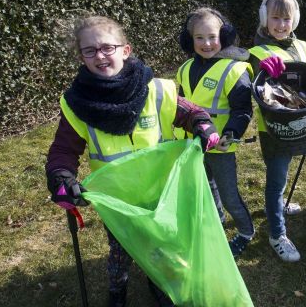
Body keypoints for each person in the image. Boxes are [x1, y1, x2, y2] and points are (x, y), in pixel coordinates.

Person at [45, 16, 219, 307]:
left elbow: (189, 111)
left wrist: (203, 124)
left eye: (107, 48)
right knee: (120, 252)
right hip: (118, 200)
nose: (100, 55)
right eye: (90, 50)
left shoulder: (156, 90)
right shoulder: (77, 104)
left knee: (162, 244)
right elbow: (63, 149)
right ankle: (117, 291)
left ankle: (161, 283)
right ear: (81, 57)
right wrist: (61, 176)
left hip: (161, 191)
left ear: (125, 50)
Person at [176, 7, 255, 257]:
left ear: (224, 36)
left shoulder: (234, 70)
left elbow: (242, 111)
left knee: (230, 196)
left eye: (212, 36)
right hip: (193, 145)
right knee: (208, 189)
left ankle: (245, 232)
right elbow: (178, 104)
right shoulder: (185, 68)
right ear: (190, 40)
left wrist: (229, 134)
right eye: (199, 38)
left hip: (221, 147)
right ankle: (217, 223)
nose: (207, 43)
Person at [249, 0, 306, 262]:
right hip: (275, 127)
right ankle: (277, 234)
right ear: (265, 18)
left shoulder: (302, 46)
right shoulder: (256, 51)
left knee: (284, 173)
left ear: (295, 20)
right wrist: (260, 69)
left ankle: (280, 207)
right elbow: (253, 81)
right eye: (275, 18)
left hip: (299, 120)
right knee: (276, 180)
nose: (281, 25)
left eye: (286, 19)